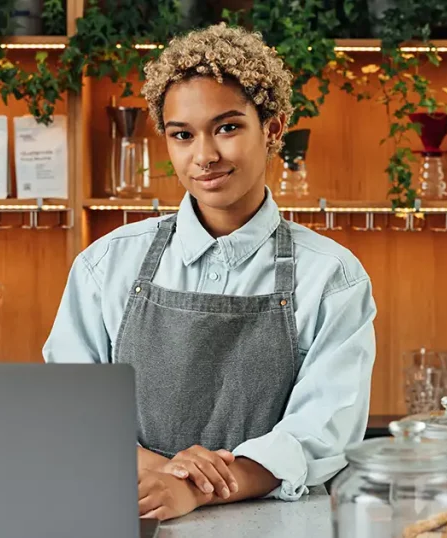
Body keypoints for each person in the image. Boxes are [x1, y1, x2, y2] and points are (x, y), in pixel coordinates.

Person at [42, 23, 377, 521]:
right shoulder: (106, 264)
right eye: (182, 135)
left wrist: (200, 489)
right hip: (132, 510)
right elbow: (71, 410)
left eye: (227, 127)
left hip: (275, 525)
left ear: (274, 127)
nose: (205, 156)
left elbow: (323, 430)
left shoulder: (332, 277)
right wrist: (165, 476)